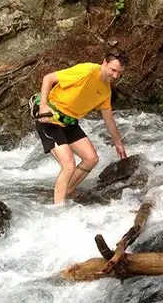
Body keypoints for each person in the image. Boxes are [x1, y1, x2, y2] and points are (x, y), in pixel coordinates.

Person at [29, 51, 128, 205]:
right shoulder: (87, 71)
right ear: (104, 63)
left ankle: (67, 189)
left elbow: (108, 120)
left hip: (69, 122)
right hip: (49, 118)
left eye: (119, 73)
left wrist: (118, 143)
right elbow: (48, 78)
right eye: (113, 70)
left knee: (91, 159)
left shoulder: (106, 91)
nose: (115, 76)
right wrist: (42, 106)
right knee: (68, 165)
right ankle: (58, 209)